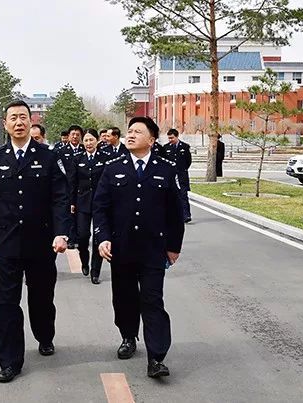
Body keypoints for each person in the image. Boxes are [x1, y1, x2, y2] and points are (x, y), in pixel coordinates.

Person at [0, 100, 72, 383]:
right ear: (5, 124)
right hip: (7, 241)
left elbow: (60, 197)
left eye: (24, 117)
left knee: (42, 296)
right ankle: (9, 360)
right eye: (13, 118)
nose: (19, 122)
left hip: (42, 240)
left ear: (31, 122)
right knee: (7, 302)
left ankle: (45, 335)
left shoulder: (48, 156)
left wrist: (61, 232)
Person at [93, 116, 185, 379]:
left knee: (152, 299)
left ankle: (156, 357)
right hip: (121, 248)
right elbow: (101, 208)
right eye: (129, 131)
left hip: (153, 249)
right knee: (124, 297)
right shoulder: (113, 168)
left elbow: (175, 213)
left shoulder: (166, 169)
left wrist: (173, 246)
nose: (130, 135)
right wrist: (103, 237)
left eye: (137, 131)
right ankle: (128, 336)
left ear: (152, 139)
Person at [70, 128, 109, 284]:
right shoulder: (77, 159)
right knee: (82, 235)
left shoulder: (105, 158)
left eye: (91, 140)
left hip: (101, 203)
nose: (88, 143)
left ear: (97, 141)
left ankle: (95, 271)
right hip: (82, 202)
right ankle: (84, 261)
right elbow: (72, 182)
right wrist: (72, 202)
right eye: (85, 140)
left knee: (99, 237)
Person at [162, 128, 192, 222]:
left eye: (172, 138)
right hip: (170, 176)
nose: (170, 140)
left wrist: (182, 169)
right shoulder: (166, 148)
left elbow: (188, 161)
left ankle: (186, 215)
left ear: (177, 136)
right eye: (169, 138)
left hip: (181, 175)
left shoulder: (185, 147)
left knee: (183, 195)